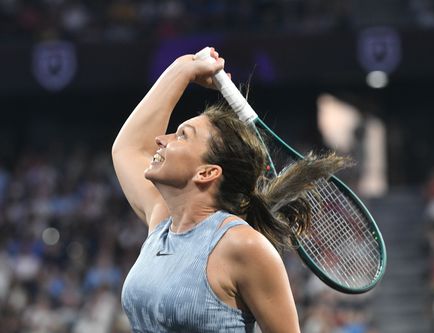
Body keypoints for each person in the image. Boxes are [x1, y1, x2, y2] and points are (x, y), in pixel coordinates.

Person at [112, 48, 349, 333]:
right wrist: (183, 68)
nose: (162, 140)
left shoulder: (243, 246)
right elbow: (129, 148)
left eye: (182, 135)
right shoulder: (162, 224)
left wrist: (187, 68)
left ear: (207, 172)